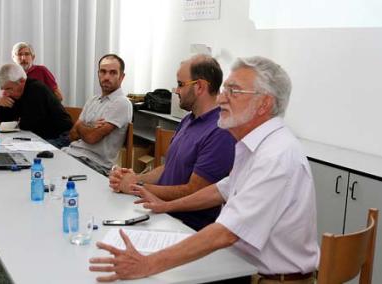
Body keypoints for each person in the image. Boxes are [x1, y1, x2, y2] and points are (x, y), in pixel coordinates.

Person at [89, 56, 320, 283]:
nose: (221, 99)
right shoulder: (253, 144)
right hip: (241, 266)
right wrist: (166, 206)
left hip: (270, 278)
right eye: (225, 90)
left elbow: (226, 232)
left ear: (264, 104)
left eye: (234, 91)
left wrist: (147, 264)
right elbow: (222, 189)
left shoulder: (275, 156)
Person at [109, 54, 236, 231]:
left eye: (180, 84)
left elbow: (193, 191)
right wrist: (134, 178)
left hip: (185, 226)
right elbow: (168, 167)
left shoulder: (220, 131)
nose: (176, 91)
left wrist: (135, 186)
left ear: (199, 86)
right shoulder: (188, 120)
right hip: (161, 212)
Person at [62, 54, 132, 176]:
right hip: (72, 154)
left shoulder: (122, 103)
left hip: (94, 165)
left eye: (113, 73)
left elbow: (92, 138)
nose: (106, 77)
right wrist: (88, 127)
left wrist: (81, 126)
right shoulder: (93, 100)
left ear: (122, 77)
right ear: (98, 73)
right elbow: (72, 135)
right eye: (103, 72)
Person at [0, 63, 73, 148]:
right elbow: (3, 121)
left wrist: (18, 122)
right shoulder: (15, 92)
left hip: (60, 136)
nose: (6, 93)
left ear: (22, 81)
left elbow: (30, 123)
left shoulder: (36, 89)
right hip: (38, 135)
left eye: (9, 88)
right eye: (3, 89)